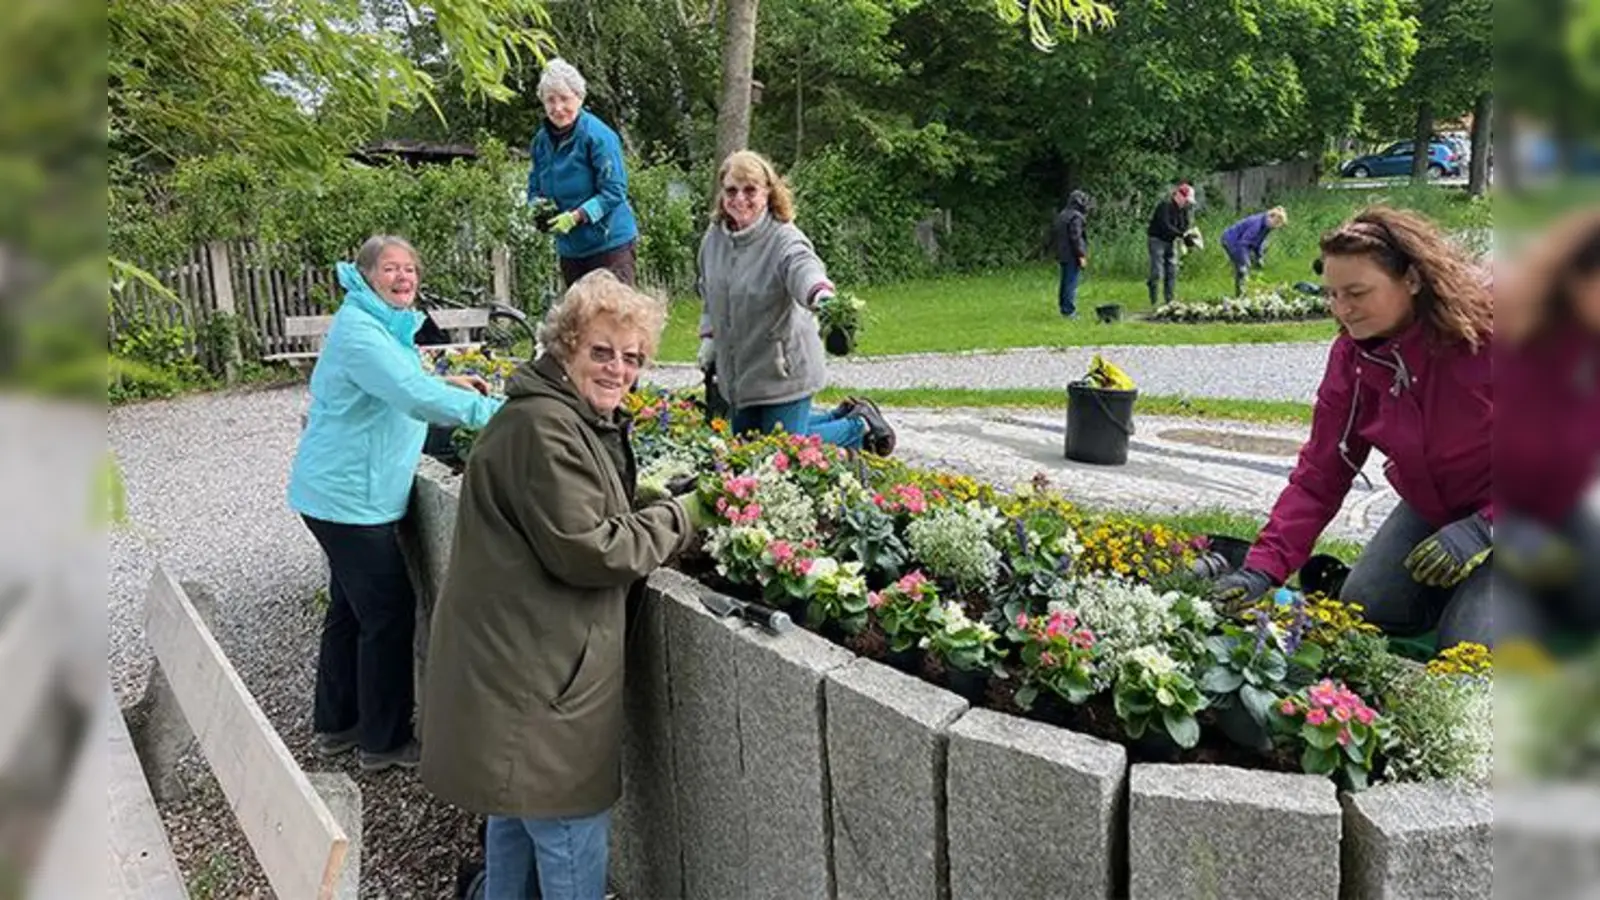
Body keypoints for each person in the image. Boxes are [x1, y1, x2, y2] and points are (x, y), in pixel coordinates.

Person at [420, 270, 711, 900]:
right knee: (567, 836)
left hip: (514, 674)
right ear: (564, 346)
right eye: (601, 351)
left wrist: (643, 502)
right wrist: (687, 514)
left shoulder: (550, 415)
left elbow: (578, 512)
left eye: (632, 358)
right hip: (539, 686)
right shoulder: (545, 429)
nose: (618, 369)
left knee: (515, 821)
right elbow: (594, 549)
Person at [1210, 207, 1493, 650]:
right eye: (1332, 295)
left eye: (1357, 293)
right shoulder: (1354, 358)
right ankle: (1473, 591)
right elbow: (1321, 473)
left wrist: (1485, 528)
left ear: (1413, 279)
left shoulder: (1490, 336)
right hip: (1443, 504)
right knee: (1369, 603)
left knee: (1471, 645)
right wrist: (1261, 569)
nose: (1342, 310)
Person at [287, 235, 503, 771]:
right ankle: (382, 742)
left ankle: (338, 725)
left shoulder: (376, 321)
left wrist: (444, 378)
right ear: (365, 276)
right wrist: (501, 412)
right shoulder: (362, 331)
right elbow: (411, 396)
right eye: (391, 269)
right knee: (386, 613)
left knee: (349, 610)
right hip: (349, 498)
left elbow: (405, 379)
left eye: (410, 268)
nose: (404, 277)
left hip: (337, 491)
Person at [695, 150, 895, 455]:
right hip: (739, 374)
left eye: (750, 190)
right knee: (748, 449)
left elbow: (803, 269)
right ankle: (844, 416)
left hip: (783, 369)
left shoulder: (783, 238)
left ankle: (858, 427)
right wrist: (709, 338)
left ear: (768, 193)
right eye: (731, 190)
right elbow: (709, 291)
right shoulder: (714, 239)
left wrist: (823, 299)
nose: (740, 199)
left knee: (784, 452)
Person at [1494, 210, 1600, 644]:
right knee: (1513, 637)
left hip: (1563, 507)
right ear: (1578, 280)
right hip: (1496, 514)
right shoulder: (1520, 346)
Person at [527, 58, 640, 288]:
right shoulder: (540, 142)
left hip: (609, 245)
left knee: (611, 320)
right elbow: (535, 185)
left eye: (565, 99)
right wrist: (537, 209)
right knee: (578, 320)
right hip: (571, 249)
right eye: (550, 100)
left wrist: (577, 216)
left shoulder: (599, 136)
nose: (558, 108)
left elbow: (614, 191)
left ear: (579, 98)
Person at [1146, 182, 1195, 307]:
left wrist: (1188, 237)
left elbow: (1184, 226)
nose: (1187, 203)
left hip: (1171, 241)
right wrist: (1182, 234)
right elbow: (1165, 226)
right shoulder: (1164, 206)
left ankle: (1170, 300)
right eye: (1186, 200)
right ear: (1178, 195)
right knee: (1157, 272)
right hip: (1157, 240)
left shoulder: (1184, 211)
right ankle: (1154, 300)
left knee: (1172, 271)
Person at [1221, 206, 1288, 296]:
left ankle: (1245, 290)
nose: (1276, 227)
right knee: (1243, 268)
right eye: (1276, 223)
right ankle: (1241, 293)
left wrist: (1259, 257)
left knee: (1248, 265)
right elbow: (1243, 244)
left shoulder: (1267, 226)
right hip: (1231, 240)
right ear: (1270, 217)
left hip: (1241, 241)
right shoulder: (1256, 224)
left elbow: (1259, 243)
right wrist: (1245, 260)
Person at [1053, 190, 1093, 318]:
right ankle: (1069, 311)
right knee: (1071, 283)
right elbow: (1076, 237)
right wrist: (1081, 255)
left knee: (1065, 282)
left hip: (1062, 253)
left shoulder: (1063, 214)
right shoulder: (1076, 217)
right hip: (1072, 254)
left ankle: (1064, 308)